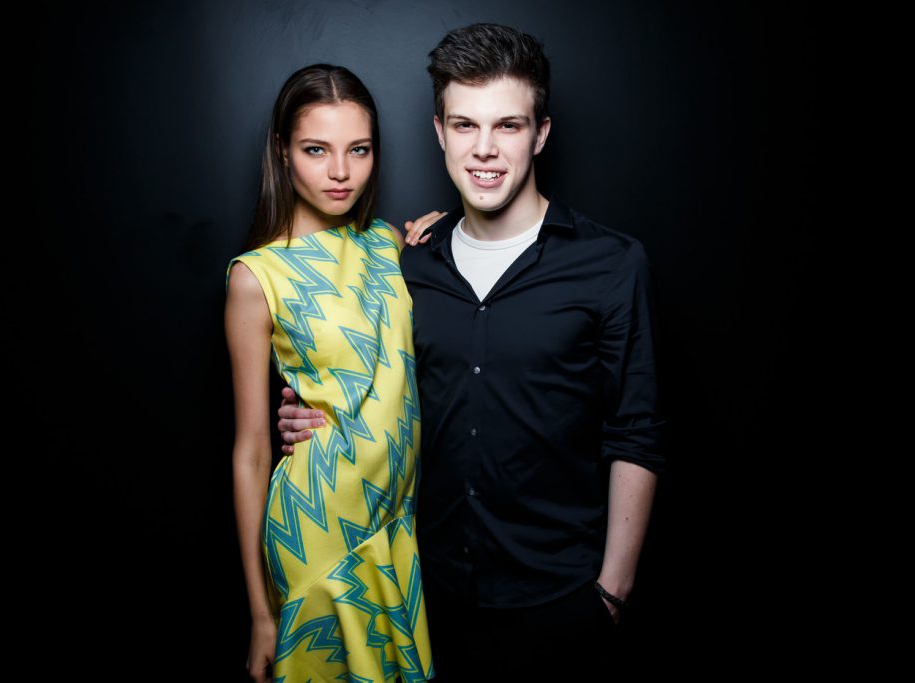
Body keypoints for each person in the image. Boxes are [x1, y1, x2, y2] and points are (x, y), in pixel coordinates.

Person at [278, 23, 666, 680]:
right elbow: (366, 386)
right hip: (426, 601)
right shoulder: (408, 264)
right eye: (465, 125)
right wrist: (306, 415)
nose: (484, 149)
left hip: (562, 603)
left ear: (540, 133)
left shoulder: (610, 264)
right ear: (440, 131)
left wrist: (612, 591)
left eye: (507, 125)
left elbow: (637, 431)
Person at [223, 64, 434, 683]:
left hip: (395, 521)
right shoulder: (257, 275)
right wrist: (260, 614)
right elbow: (251, 450)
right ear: (283, 152)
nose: (340, 171)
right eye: (316, 150)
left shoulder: (389, 244)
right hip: (317, 527)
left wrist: (449, 233)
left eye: (358, 150)